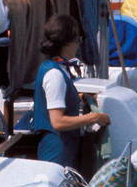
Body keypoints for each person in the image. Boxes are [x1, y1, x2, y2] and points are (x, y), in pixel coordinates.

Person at [32, 14, 109, 168]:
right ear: (67, 43)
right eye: (77, 41)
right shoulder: (55, 75)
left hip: (61, 145)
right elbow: (58, 122)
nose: (78, 45)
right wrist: (94, 117)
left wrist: (78, 97)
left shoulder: (51, 67)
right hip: (58, 150)